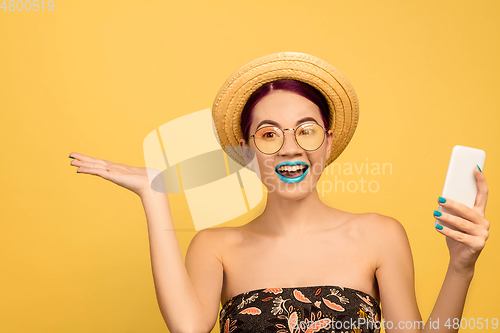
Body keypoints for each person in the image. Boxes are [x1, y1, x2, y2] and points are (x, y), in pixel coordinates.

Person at [69, 52, 490, 333]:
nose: (290, 147)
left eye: (305, 131)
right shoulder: (215, 247)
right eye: (269, 134)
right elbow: (186, 327)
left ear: (327, 141)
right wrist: (153, 193)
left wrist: (460, 268)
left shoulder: (380, 236)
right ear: (248, 150)